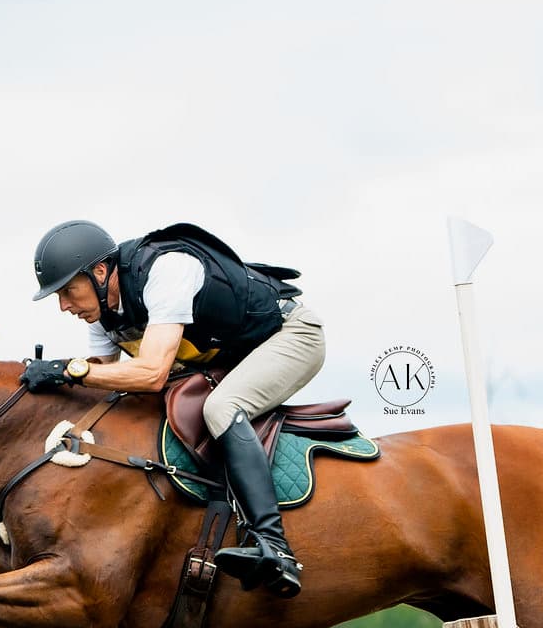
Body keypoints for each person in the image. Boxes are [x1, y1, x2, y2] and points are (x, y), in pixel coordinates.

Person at [22, 220, 325, 597]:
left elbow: (150, 373)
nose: (64, 306)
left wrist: (70, 370)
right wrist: (54, 380)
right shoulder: (104, 313)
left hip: (291, 335)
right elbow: (102, 378)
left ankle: (274, 545)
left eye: (68, 291)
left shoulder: (164, 270)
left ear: (100, 272)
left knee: (222, 408)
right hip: (233, 354)